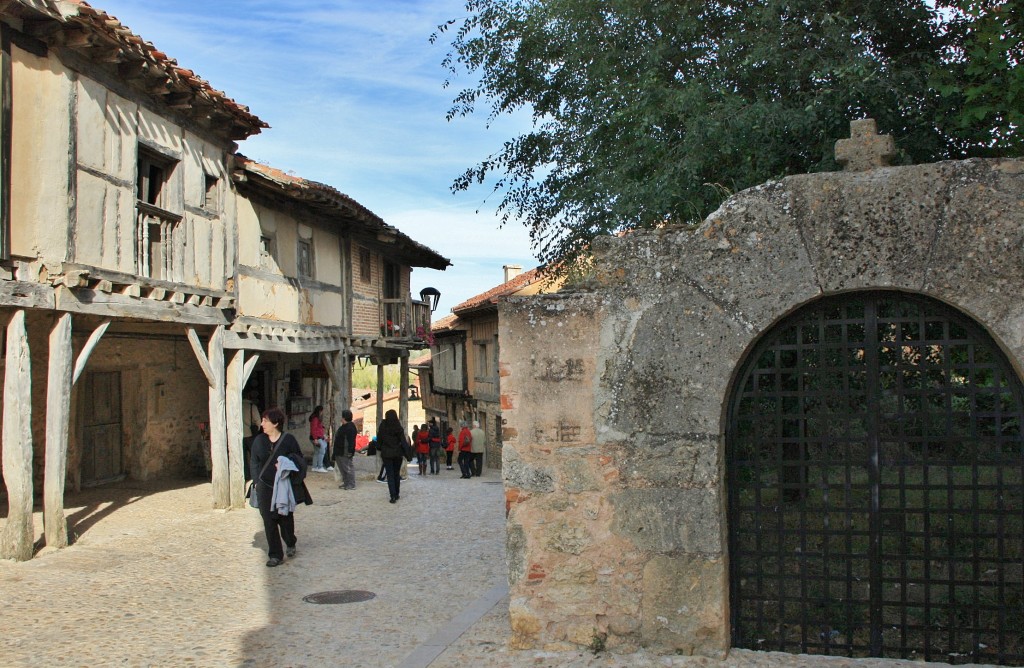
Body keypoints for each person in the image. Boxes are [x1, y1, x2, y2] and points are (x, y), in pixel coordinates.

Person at [250, 407, 303, 567]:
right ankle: (275, 555)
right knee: (268, 520)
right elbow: (254, 462)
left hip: (283, 486)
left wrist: (287, 463)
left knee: (285, 518)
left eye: (265, 421)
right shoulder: (259, 441)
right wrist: (256, 482)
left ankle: (290, 541)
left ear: (275, 423)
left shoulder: (289, 440)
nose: (262, 424)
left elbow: (299, 459)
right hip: (264, 486)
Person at [377, 409, 407, 503]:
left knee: (390, 475)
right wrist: (407, 453)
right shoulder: (398, 426)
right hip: (397, 454)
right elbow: (403, 441)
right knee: (396, 474)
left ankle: (392, 496)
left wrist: (380, 448)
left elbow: (379, 439)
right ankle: (397, 494)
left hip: (386, 453)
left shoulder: (383, 426)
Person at [334, 409, 357, 490]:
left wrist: (350, 452)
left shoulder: (350, 427)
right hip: (339, 451)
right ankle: (346, 482)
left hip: (345, 451)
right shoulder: (343, 427)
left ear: (344, 418)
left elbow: (351, 441)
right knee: (342, 468)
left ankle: (351, 484)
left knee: (348, 468)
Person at [308, 406, 328, 472]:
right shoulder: (315, 419)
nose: (322, 413)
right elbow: (314, 429)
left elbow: (318, 429)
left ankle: (314, 467)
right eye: (322, 411)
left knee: (316, 452)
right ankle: (320, 467)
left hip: (316, 437)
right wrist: (315, 439)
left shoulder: (315, 418)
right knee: (322, 451)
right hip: (316, 438)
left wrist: (323, 435)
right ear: (319, 411)